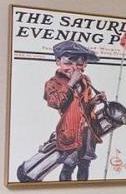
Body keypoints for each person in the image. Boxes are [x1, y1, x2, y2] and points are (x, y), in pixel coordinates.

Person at [42, 40, 105, 182]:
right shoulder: (52, 83)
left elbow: (83, 107)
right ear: (58, 61)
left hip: (88, 131)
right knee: (69, 166)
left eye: (79, 64)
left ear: (85, 65)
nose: (74, 68)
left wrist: (94, 101)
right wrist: (70, 84)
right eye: (68, 63)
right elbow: (56, 102)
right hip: (69, 132)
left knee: (85, 165)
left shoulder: (85, 81)